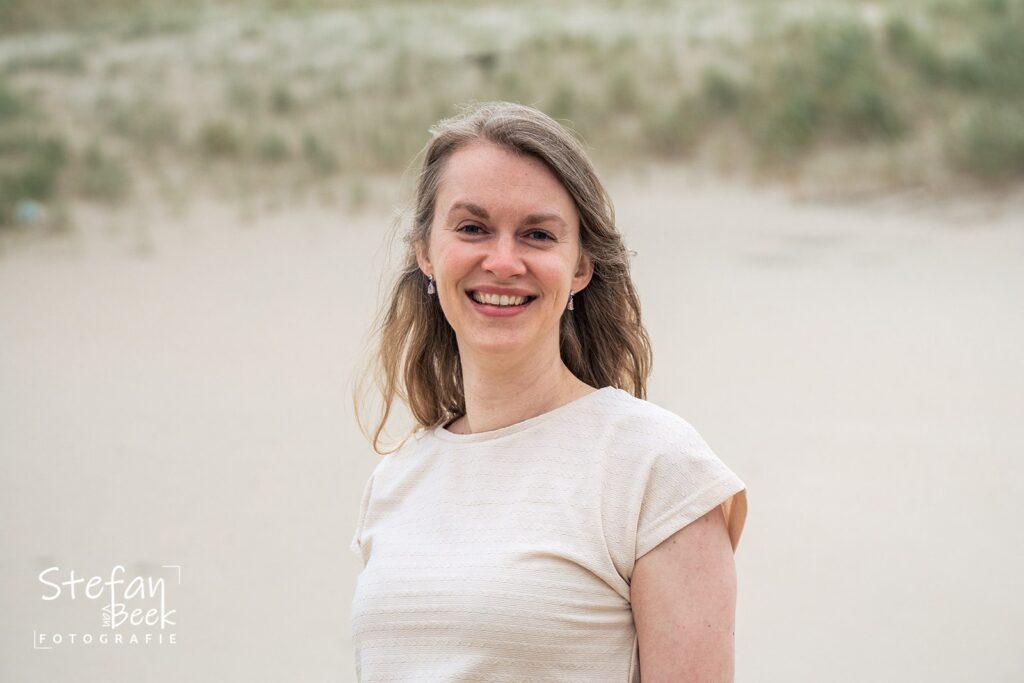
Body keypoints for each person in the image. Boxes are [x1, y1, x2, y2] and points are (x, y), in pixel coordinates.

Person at [348, 101, 748, 682]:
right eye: (472, 228)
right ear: (425, 252)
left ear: (581, 266)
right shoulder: (396, 480)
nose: (503, 261)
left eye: (537, 234)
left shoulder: (657, 466)